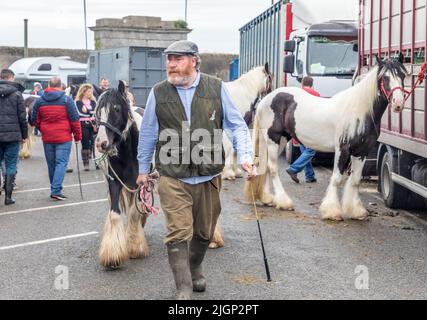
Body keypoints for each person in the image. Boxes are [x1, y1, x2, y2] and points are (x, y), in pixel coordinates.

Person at [137, 40, 256, 300]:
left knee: (204, 232)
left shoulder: (216, 88)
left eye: (177, 59)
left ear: (194, 60)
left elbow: (236, 125)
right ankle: (184, 287)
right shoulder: (158, 92)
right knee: (178, 231)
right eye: (169, 59)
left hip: (209, 176)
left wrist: (245, 156)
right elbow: (147, 133)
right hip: (172, 174)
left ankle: (195, 267)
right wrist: (143, 168)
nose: (171, 64)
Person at [31, 76, 82, 200]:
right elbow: (75, 120)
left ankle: (55, 188)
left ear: (49, 85)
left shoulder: (40, 100)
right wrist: (77, 136)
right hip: (64, 137)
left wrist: (42, 128)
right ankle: (56, 190)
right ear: (60, 86)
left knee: (51, 164)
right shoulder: (66, 100)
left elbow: (34, 120)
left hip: (47, 137)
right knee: (61, 163)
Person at [0, 69, 28, 205]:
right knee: (11, 164)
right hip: (13, 135)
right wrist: (24, 135)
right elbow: (22, 118)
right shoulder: (17, 94)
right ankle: (8, 197)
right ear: (11, 78)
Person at [286, 76, 320, 184]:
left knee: (304, 151)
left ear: (302, 83)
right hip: (310, 126)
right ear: (312, 84)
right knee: (311, 150)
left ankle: (309, 176)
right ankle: (293, 169)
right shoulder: (316, 94)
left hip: (297, 126)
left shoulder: (297, 93)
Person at [75, 84, 97, 171]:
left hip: (93, 124)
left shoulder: (93, 101)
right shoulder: (78, 102)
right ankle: (86, 163)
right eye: (88, 91)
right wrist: (90, 112)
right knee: (85, 143)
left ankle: (97, 162)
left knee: (94, 143)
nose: (90, 93)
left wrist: (88, 111)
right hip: (83, 124)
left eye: (91, 91)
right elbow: (80, 113)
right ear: (83, 92)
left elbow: (94, 112)